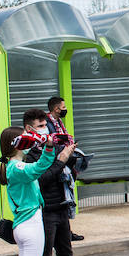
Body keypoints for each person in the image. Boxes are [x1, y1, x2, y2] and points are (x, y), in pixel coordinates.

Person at [23, 109, 99, 256]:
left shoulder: (54, 148)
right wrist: (61, 160)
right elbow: (42, 179)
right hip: (44, 211)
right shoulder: (30, 155)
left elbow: (64, 169)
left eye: (45, 124)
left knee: (65, 254)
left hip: (62, 207)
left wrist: (72, 155)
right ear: (29, 129)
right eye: (40, 126)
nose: (44, 129)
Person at [0, 124, 73, 256]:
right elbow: (38, 169)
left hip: (23, 225)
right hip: (30, 225)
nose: (29, 141)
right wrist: (49, 149)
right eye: (24, 138)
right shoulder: (17, 167)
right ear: (16, 143)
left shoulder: (12, 166)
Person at [45, 96, 85, 242]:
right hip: (57, 165)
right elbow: (53, 144)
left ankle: (66, 230)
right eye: (63, 107)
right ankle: (64, 232)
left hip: (65, 162)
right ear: (56, 109)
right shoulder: (48, 124)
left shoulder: (58, 122)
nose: (65, 109)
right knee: (63, 197)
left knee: (67, 196)